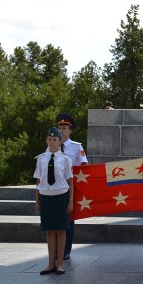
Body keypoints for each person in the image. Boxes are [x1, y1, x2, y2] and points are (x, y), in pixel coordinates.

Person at [34, 127, 74, 275]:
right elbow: (38, 181)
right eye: (49, 139)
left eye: (55, 140)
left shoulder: (65, 159)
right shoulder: (41, 159)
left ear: (60, 142)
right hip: (46, 196)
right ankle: (50, 263)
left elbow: (70, 181)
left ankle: (60, 264)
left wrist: (70, 200)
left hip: (61, 196)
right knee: (50, 231)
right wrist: (37, 201)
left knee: (61, 230)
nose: (52, 142)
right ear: (46, 140)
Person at [55, 113, 88, 260]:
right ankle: (55, 248)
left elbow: (84, 166)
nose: (61, 130)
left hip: (70, 186)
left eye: (64, 128)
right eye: (59, 127)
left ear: (70, 131)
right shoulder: (51, 146)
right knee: (55, 218)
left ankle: (66, 249)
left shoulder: (76, 147)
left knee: (68, 218)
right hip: (54, 186)